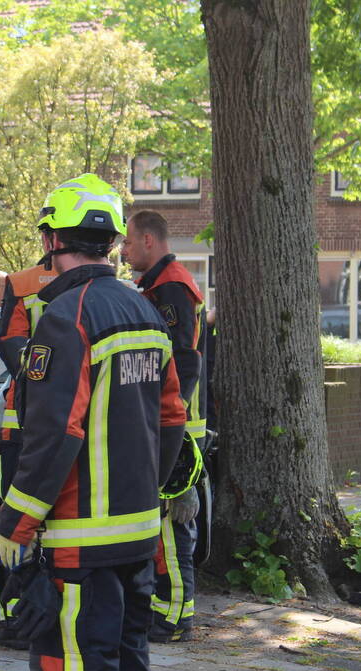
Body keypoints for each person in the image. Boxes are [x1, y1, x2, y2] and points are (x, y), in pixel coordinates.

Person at [0, 173, 186, 671]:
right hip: (139, 533)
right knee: (128, 663)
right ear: (113, 241)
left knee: (76, 667)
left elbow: (57, 432)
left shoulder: (65, 316)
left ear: (52, 240)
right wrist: (150, 491)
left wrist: (16, 522)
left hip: (81, 541)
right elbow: (172, 417)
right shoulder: (146, 312)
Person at [120, 209, 206, 643]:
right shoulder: (159, 286)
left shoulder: (171, 288)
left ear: (150, 240)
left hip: (176, 429)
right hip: (169, 423)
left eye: (129, 243)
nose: (122, 251)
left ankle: (174, 618)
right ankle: (166, 611)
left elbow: (182, 361)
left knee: (172, 528)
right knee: (165, 527)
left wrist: (168, 421)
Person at [0, 261, 56, 649]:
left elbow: (12, 350)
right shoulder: (100, 289)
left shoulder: (22, 285)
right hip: (64, 426)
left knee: (16, 523)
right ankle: (30, 618)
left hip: (22, 427)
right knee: (44, 527)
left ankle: (15, 618)